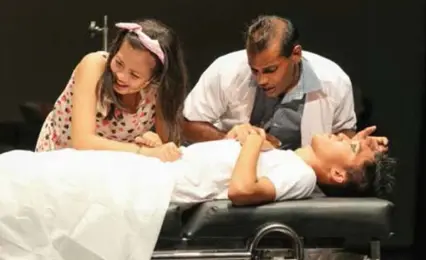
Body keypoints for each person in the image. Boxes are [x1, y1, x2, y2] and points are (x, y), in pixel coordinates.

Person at [4, 124, 395, 206]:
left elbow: (241, 190)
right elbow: (220, 168)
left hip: (147, 188)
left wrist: (253, 141)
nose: (346, 136)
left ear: (339, 174)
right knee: (29, 173)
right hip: (152, 172)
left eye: (352, 146)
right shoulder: (288, 159)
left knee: (28, 177)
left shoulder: (300, 175)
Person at [183, 14, 378, 150]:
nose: (261, 80)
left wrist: (358, 146)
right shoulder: (226, 70)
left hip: (302, 177)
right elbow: (187, 123)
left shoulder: (335, 81)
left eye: (270, 70)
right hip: (233, 172)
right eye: (254, 70)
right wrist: (229, 140)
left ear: (296, 55)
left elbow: (343, 132)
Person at [35, 18, 188, 162]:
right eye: (119, 63)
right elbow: (82, 141)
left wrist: (154, 143)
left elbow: (168, 148)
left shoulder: (159, 88)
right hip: (62, 159)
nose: (121, 76)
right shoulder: (94, 66)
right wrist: (143, 152)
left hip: (115, 167)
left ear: (155, 79)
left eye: (134, 75)